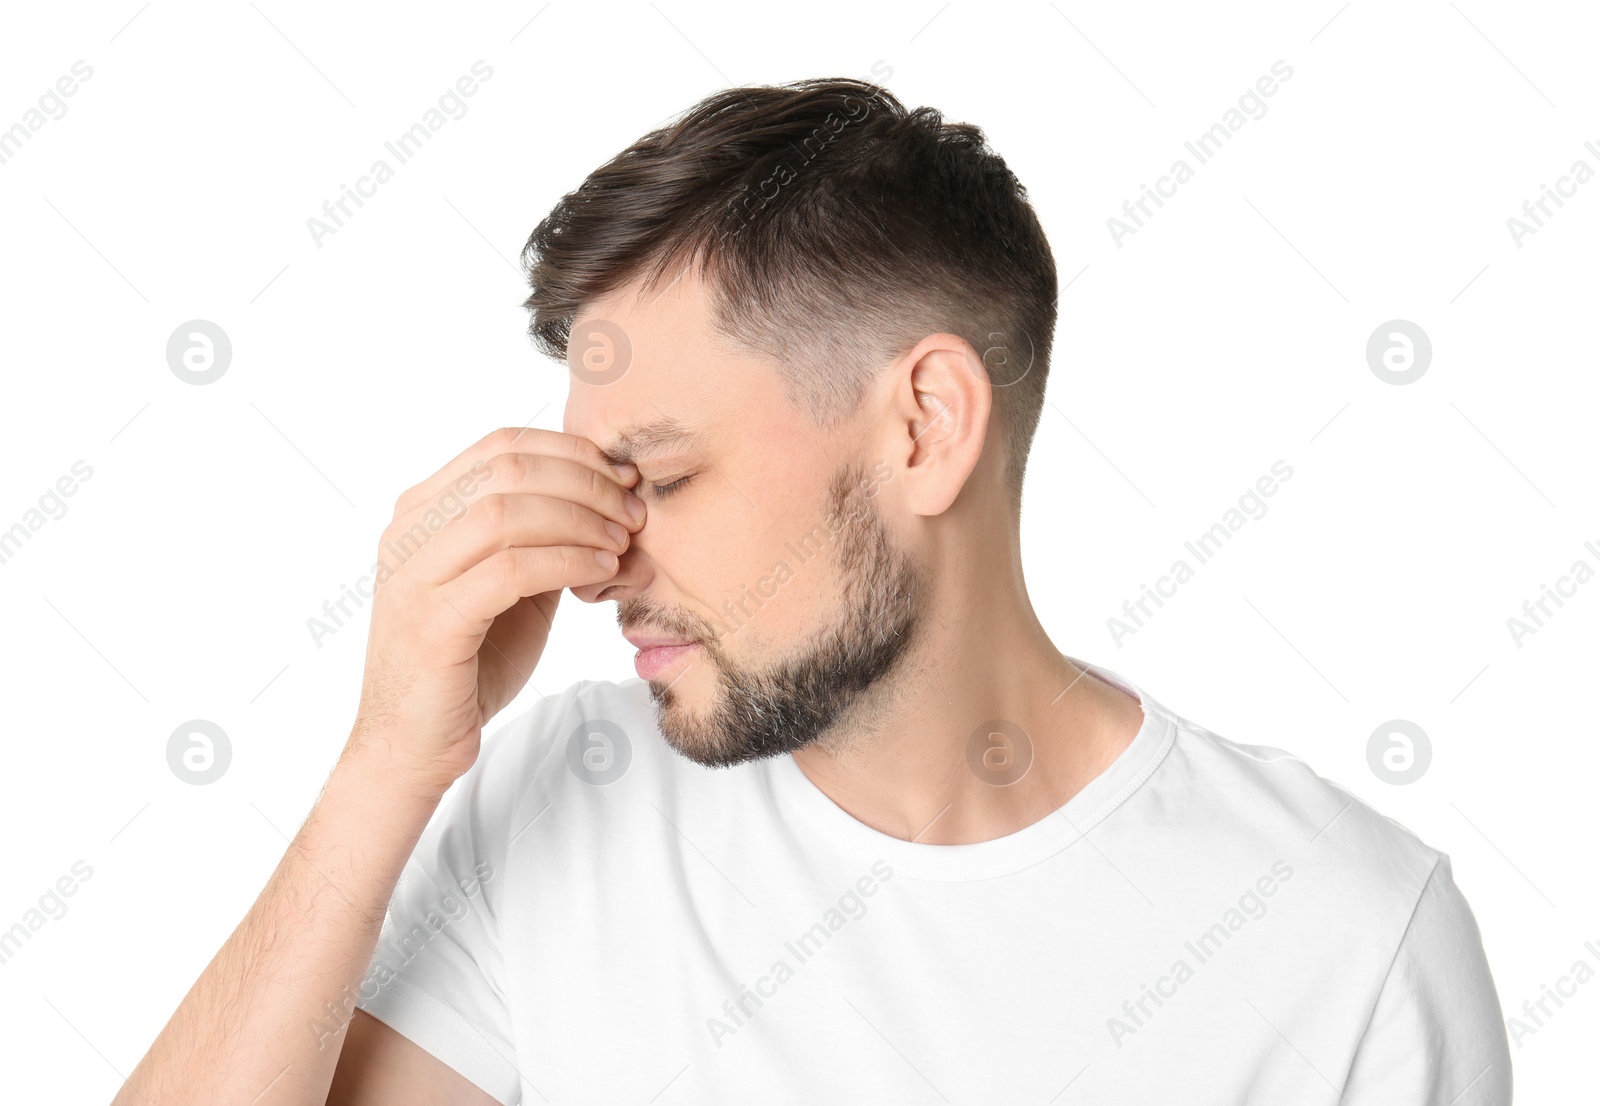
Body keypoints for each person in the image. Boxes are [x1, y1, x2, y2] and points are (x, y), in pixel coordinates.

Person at [114, 77, 1511, 1105]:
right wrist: (384, 765)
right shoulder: (560, 810)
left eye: (658, 475)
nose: (602, 564)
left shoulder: (1350, 939)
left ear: (923, 428)